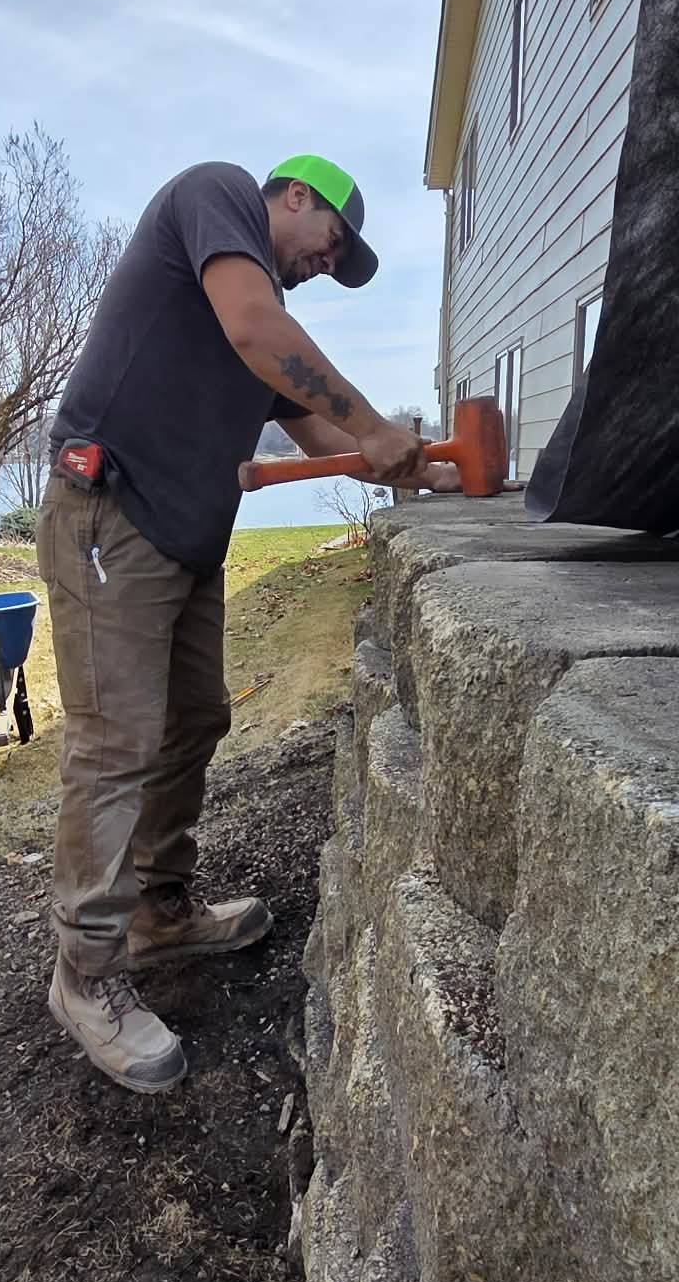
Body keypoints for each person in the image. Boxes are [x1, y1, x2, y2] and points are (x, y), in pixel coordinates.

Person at [37, 154, 458, 1093]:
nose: (325, 263)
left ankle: (159, 912)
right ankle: (86, 972)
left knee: (193, 722)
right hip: (109, 510)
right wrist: (373, 418)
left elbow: (318, 432)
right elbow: (261, 327)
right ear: (295, 198)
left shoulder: (257, 317)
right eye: (330, 244)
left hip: (183, 538)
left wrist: (419, 467)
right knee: (115, 745)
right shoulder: (215, 194)